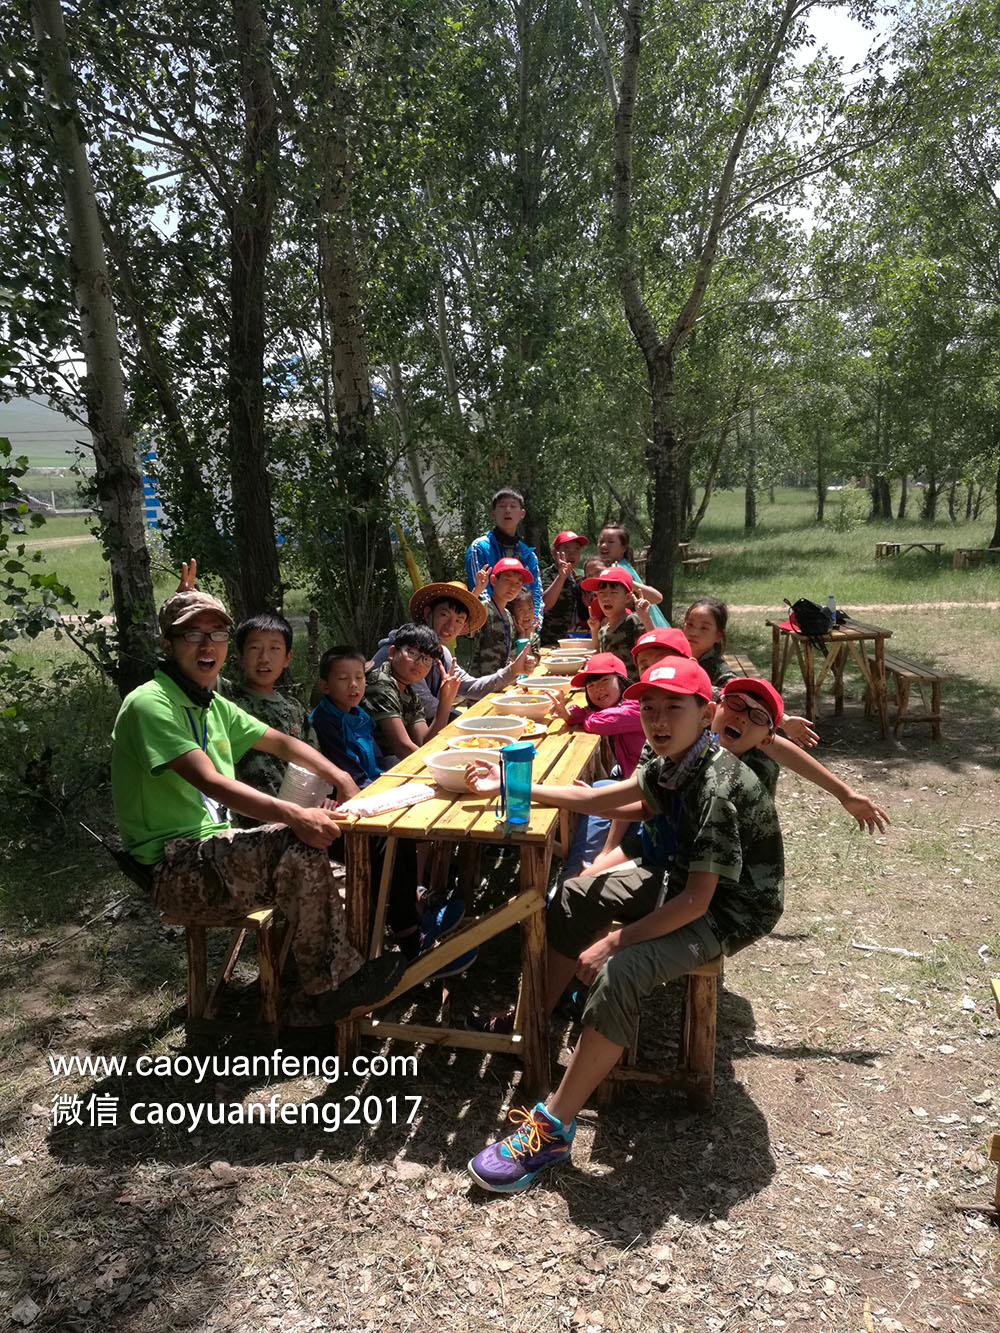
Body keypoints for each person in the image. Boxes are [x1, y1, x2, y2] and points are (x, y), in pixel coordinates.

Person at [463, 658, 784, 1191]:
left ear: (706, 713)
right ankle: (532, 1028)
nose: (658, 719)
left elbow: (698, 903)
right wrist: (509, 785)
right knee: (571, 898)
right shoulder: (674, 761)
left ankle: (552, 1128)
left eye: (673, 708)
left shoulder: (718, 784)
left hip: (731, 907)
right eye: (650, 708)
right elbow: (595, 799)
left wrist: (614, 941)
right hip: (684, 881)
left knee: (622, 969)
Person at [110, 587, 402, 1020]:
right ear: (168, 646)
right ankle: (330, 992)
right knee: (300, 844)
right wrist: (296, 814)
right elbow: (212, 782)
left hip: (216, 850)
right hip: (172, 867)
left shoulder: (212, 705)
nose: (207, 645)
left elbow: (282, 742)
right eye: (192, 635)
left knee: (338, 846)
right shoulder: (151, 704)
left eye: (217, 634)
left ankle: (337, 975)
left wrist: (341, 777)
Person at [311, 645, 473, 970]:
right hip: (340, 815)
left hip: (367, 798)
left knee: (409, 826)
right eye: (344, 679)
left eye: (359, 677)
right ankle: (411, 940)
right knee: (391, 839)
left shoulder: (358, 714)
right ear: (324, 686)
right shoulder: (324, 722)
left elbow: (375, 765)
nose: (354, 686)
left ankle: (415, 908)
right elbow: (351, 782)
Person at [369, 579, 530, 722]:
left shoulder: (441, 653)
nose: (450, 626)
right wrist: (468, 721)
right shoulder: (407, 651)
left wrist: (512, 670)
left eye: (459, 620)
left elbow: (469, 687)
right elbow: (427, 705)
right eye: (444, 615)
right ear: (427, 613)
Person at [217, 611, 316, 808]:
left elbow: (313, 763)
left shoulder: (294, 708)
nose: (264, 658)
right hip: (248, 814)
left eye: (274, 649)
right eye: (254, 648)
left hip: (296, 814)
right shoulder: (227, 696)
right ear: (239, 655)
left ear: (287, 658)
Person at [362, 622, 461, 760]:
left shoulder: (409, 689)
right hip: (373, 767)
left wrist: (445, 701)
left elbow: (424, 741)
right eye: (412, 653)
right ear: (392, 653)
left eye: (426, 659)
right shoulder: (380, 683)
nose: (419, 663)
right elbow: (403, 747)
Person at [465, 487, 543, 625]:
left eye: (513, 506)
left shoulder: (528, 555)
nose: (507, 510)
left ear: (522, 513)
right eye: (502, 506)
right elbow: (481, 590)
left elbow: (535, 593)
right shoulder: (480, 548)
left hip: (523, 625)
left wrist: (532, 626)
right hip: (490, 625)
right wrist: (498, 621)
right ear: (493, 513)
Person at [581, 566, 654, 680]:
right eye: (601, 593)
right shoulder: (603, 630)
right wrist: (594, 631)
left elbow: (655, 646)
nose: (606, 598)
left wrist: (646, 618)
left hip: (632, 691)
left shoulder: (633, 622)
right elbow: (600, 656)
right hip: (612, 692)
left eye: (613, 592)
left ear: (628, 597)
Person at [467, 557, 534, 678]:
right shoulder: (483, 609)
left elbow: (511, 653)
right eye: (508, 580)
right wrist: (477, 591)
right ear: (493, 580)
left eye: (518, 583)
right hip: (480, 687)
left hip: (501, 683)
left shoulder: (508, 615)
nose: (513, 587)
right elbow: (464, 625)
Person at [596, 523, 669, 627]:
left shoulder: (621, 568)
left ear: (623, 549)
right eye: (601, 541)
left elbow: (657, 598)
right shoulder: (610, 566)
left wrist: (625, 580)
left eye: (610, 541)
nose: (603, 545)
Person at [540, 530, 590, 647]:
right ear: (554, 552)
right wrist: (561, 578)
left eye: (576, 549)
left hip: (563, 640)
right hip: (545, 641)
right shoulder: (547, 574)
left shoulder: (574, 577)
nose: (572, 554)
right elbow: (545, 604)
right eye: (567, 549)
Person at [681, 597, 734, 687]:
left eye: (704, 628)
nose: (693, 633)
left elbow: (738, 692)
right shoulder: (676, 658)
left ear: (719, 635)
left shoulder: (718, 670)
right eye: (690, 624)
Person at [509, 588, 541, 666]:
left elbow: (533, 661)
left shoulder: (533, 636)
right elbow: (515, 662)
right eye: (521, 610)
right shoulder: (508, 633)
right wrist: (521, 635)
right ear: (512, 613)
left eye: (530, 609)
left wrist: (527, 636)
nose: (527, 614)